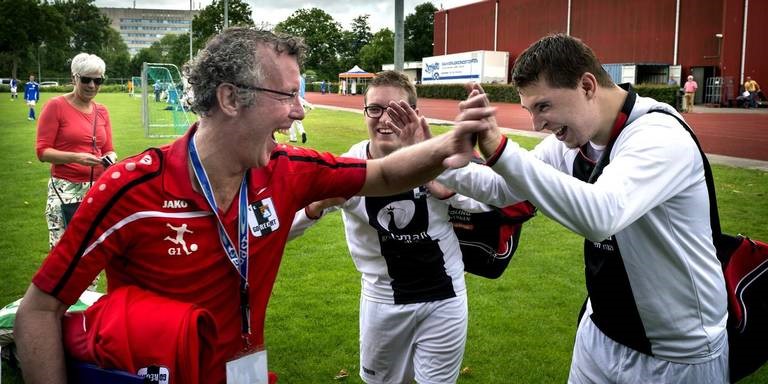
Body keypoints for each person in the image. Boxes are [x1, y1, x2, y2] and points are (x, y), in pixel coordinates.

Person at [14, 27, 490, 384]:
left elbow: (383, 174)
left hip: (246, 371)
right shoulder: (130, 190)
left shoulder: (288, 169)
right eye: (288, 95)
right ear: (230, 98)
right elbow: (37, 311)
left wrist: (448, 144)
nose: (300, 111)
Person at [447, 34, 729, 383]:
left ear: (587, 85)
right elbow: (506, 187)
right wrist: (444, 162)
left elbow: (601, 216)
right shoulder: (573, 141)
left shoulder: (659, 135)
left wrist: (501, 149)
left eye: (544, 106)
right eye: (529, 110)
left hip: (677, 353)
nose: (537, 125)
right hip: (599, 333)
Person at [289, 70, 497, 384]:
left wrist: (449, 187)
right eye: (375, 109)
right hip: (382, 301)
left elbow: (495, 201)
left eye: (396, 110)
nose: (385, 119)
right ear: (364, 113)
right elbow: (281, 228)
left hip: (444, 297)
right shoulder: (349, 165)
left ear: (415, 114)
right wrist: (316, 206)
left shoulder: (440, 157)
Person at [35, 52, 116, 250]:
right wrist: (76, 158)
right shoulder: (56, 106)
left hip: (97, 189)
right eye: (86, 79)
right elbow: (42, 151)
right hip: (65, 189)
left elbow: (109, 149)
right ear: (74, 78)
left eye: (98, 80)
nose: (92, 86)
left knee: (91, 250)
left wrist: (110, 158)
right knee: (65, 253)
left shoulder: (102, 111)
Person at [288, 74, 309, 143]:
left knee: (291, 122)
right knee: (298, 121)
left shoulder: (292, 79)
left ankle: (293, 138)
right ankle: (302, 132)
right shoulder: (302, 79)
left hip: (293, 101)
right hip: (300, 100)